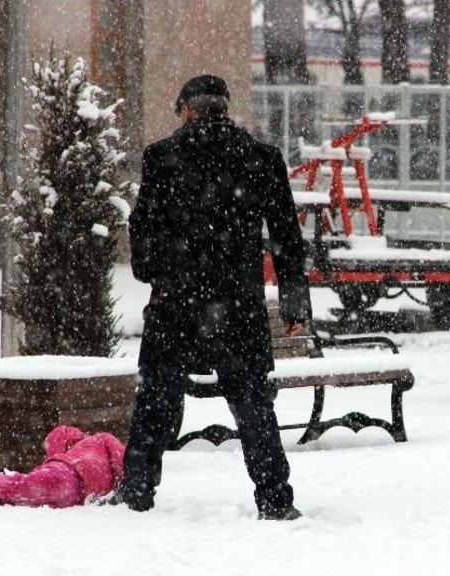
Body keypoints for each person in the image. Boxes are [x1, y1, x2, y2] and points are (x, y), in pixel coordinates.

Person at [113, 75, 311, 519]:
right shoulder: (261, 157)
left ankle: (137, 493)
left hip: (175, 305)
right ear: (224, 107)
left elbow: (142, 235)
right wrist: (295, 303)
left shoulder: (161, 157)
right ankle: (276, 499)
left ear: (186, 109)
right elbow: (287, 237)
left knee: (154, 405)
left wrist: (160, 271)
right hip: (238, 306)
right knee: (255, 409)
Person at [0, 426, 125, 508]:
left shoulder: (94, 444)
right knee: (18, 488)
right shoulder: (94, 445)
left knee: (18, 489)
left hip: (71, 489)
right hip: (67, 478)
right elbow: (127, 462)